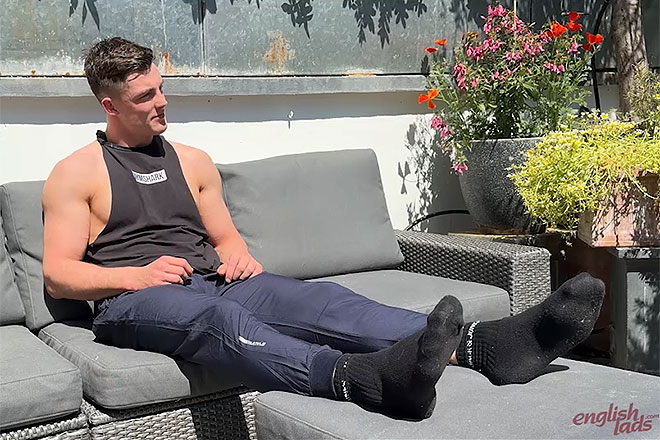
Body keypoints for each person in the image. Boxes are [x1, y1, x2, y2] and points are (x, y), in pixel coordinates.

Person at [42, 37, 605, 420]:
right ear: (109, 105)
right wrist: (137, 276)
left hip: (215, 279)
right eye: (145, 97)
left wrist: (238, 255)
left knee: (322, 300)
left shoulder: (191, 160)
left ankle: (490, 346)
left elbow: (226, 239)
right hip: (134, 301)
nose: (163, 103)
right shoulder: (76, 174)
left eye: (162, 88)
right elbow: (59, 275)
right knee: (218, 321)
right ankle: (359, 379)